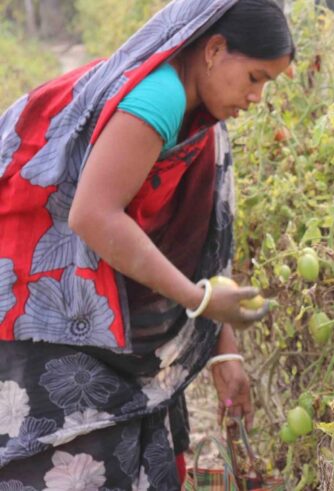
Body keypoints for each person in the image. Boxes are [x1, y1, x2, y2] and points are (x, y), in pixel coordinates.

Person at [0, 0, 294, 487]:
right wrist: (198, 300)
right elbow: (94, 215)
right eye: (255, 77)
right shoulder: (158, 97)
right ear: (215, 50)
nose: (258, 96)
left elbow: (189, 247)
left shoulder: (199, 120)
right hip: (46, 300)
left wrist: (224, 349)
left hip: (110, 305)